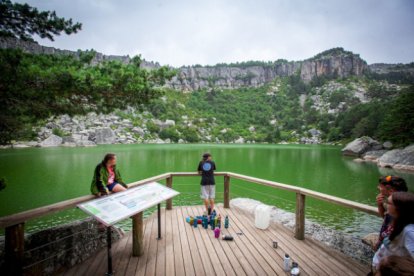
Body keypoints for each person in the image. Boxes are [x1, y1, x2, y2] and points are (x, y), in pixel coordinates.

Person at [372, 192, 414, 272]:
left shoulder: (409, 231)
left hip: (387, 271)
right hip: (379, 266)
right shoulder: (397, 221)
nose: (385, 204)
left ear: (399, 208)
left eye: (388, 202)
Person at [375, 175, 408, 250]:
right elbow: (386, 217)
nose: (378, 188)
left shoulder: (401, 206)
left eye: (380, 186)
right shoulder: (391, 203)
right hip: (386, 239)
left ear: (391, 190)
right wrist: (380, 205)